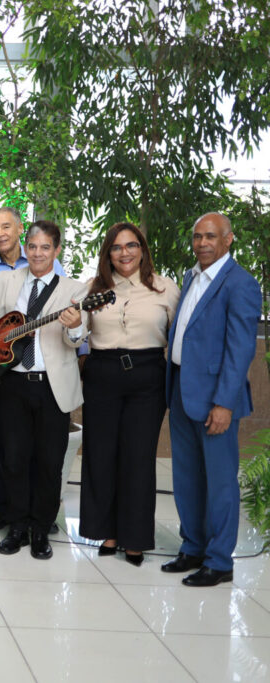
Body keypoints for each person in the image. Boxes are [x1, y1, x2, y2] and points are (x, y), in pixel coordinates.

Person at [0, 220, 87, 560]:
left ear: (56, 250)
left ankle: (41, 529)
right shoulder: (6, 280)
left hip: (52, 387)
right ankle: (17, 526)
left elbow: (77, 340)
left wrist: (75, 326)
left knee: (49, 462)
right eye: (32, 246)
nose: (38, 253)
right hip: (12, 383)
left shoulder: (75, 290)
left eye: (45, 247)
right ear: (25, 247)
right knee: (14, 459)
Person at [162, 212, 260, 587]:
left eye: (210, 236)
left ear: (228, 239)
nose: (202, 243)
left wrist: (224, 404)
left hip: (215, 401)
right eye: (197, 236)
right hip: (182, 391)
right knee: (187, 478)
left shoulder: (241, 284)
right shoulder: (191, 276)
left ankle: (219, 562)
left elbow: (240, 350)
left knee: (219, 483)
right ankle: (193, 547)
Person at [79, 223, 179, 566]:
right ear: (108, 254)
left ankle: (135, 538)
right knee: (101, 455)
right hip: (102, 374)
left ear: (142, 249)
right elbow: (75, 337)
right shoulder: (93, 288)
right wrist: (72, 325)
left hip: (147, 376)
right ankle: (106, 532)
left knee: (138, 457)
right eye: (117, 247)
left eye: (131, 245)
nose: (125, 253)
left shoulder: (165, 288)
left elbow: (181, 336)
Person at [0, 207, 65, 531]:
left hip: (43, 369)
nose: (0, 233)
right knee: (5, 445)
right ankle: (5, 510)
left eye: (5, 226)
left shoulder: (49, 265)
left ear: (20, 229)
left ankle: (39, 517)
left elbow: (67, 312)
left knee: (42, 450)